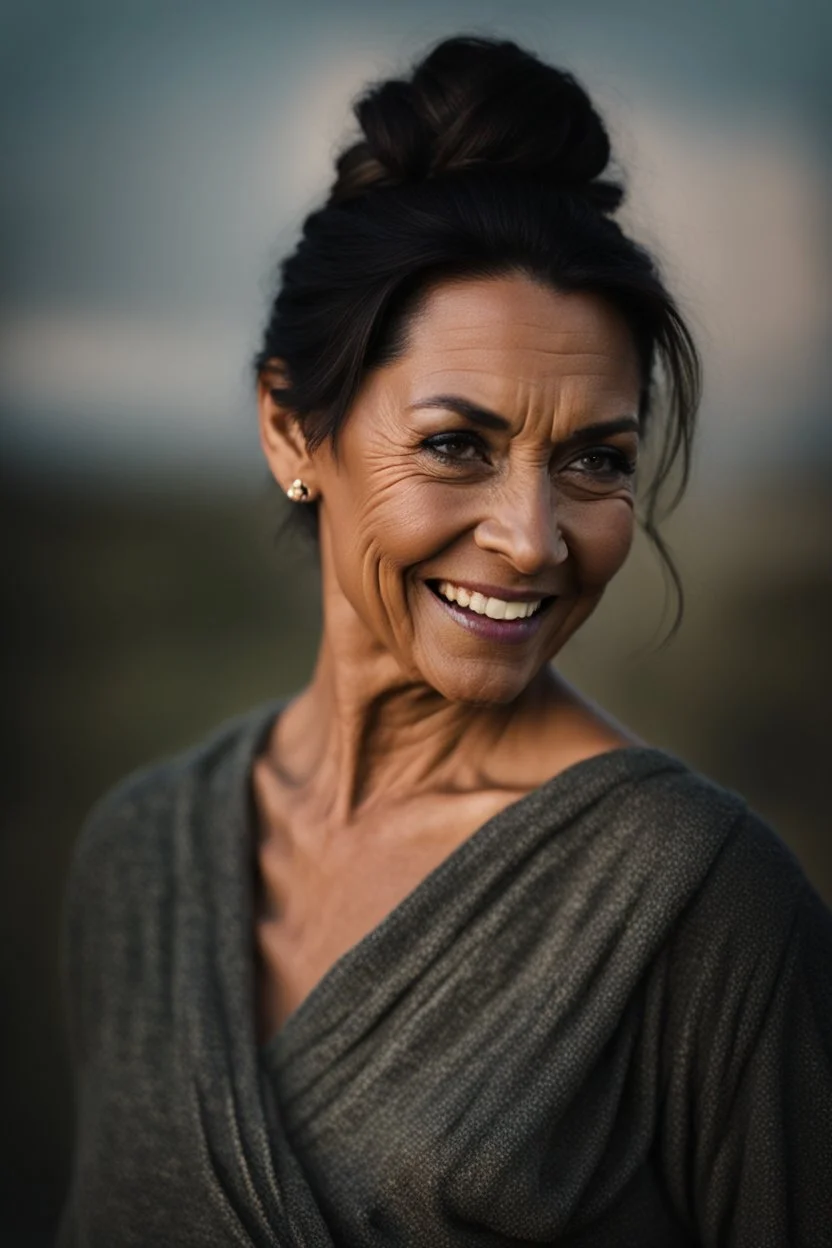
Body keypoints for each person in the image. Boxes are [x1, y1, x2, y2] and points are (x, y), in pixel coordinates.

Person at [57, 35, 831, 1248]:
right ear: (289, 430)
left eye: (595, 462)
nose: (530, 541)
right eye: (456, 444)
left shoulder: (705, 907)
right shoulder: (140, 862)